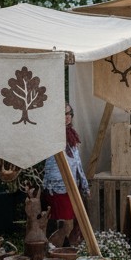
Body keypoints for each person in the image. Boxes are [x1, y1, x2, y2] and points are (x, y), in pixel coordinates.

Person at [43, 102, 90, 247]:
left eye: (69, 113)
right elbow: (51, 166)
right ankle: (54, 252)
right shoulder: (53, 135)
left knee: (74, 223)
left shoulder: (70, 135)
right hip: (59, 186)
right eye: (64, 114)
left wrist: (84, 186)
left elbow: (77, 163)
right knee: (64, 223)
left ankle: (68, 253)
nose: (67, 117)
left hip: (71, 186)